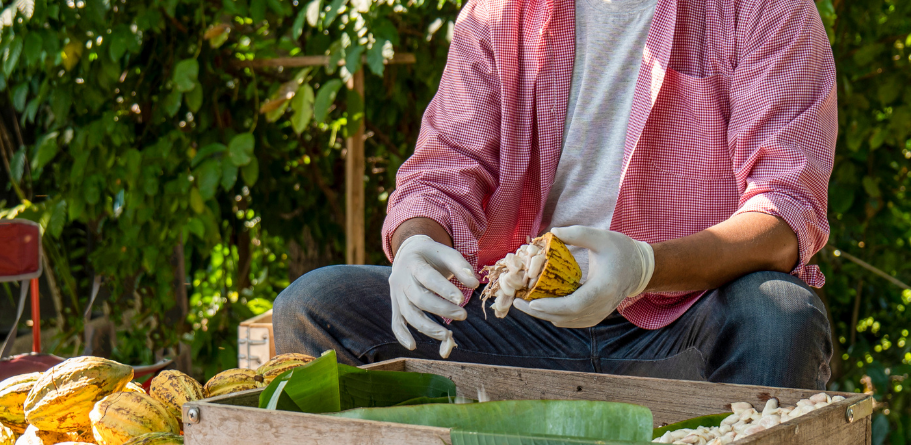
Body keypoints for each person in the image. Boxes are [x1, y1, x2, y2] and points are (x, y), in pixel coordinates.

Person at [273, 0, 837, 389]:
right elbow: (443, 170)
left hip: (682, 326)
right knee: (316, 308)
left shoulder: (766, 10)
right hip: (522, 316)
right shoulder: (502, 12)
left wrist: (643, 267)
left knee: (779, 316)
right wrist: (418, 244)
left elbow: (785, 212)